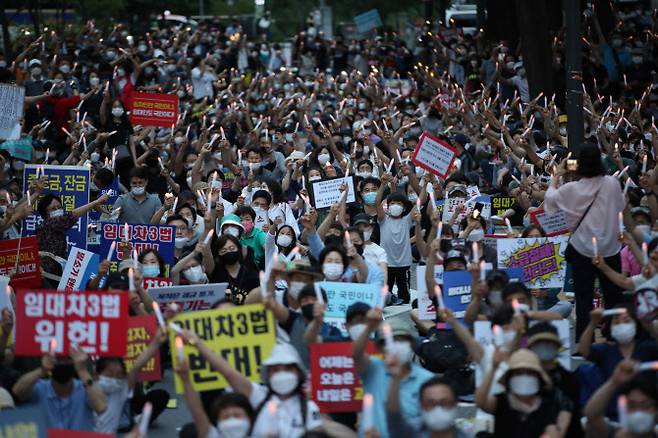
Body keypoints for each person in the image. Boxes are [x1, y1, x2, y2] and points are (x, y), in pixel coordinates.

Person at [544, 142, 625, 340]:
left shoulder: (570, 189)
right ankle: (616, 336)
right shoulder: (612, 183)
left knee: (583, 298)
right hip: (610, 248)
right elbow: (621, 205)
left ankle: (583, 341)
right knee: (613, 296)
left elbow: (550, 202)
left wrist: (557, 175)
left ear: (578, 164)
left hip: (582, 248)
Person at [177, 334, 323, 437]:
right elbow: (228, 373)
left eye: (287, 369)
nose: (281, 374)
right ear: (268, 374)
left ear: (298, 373)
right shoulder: (259, 396)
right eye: (275, 369)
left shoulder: (309, 409)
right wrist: (197, 343)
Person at [353, 307, 434, 438]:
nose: (396, 346)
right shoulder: (372, 369)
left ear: (411, 345)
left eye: (402, 341)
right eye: (390, 341)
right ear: (380, 348)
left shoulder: (427, 380)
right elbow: (356, 355)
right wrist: (369, 327)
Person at [475, 349, 571, 438]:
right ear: (510, 378)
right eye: (518, 373)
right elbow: (480, 402)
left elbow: (551, 432)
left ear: (538, 378)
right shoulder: (502, 401)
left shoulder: (546, 405)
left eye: (530, 373)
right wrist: (493, 368)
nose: (524, 377)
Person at [12, 346, 108, 431]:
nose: (63, 363)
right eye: (59, 359)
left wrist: (82, 370)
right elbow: (17, 392)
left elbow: (101, 407)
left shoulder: (85, 388)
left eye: (67, 359)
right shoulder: (40, 388)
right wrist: (42, 370)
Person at [584, 360, 657, 438]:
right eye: (632, 406)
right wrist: (614, 381)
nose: (639, 412)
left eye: (647, 406)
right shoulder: (610, 432)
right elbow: (592, 415)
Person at [387, 375, 472, 438]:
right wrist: (395, 378)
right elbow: (395, 421)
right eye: (430, 403)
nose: (438, 409)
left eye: (445, 403)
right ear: (421, 406)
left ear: (455, 405)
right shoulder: (411, 433)